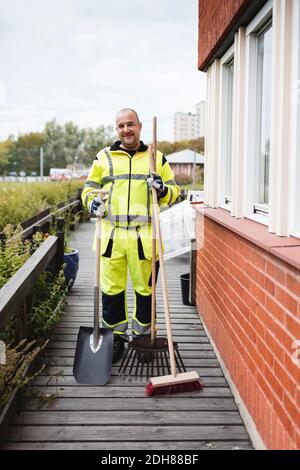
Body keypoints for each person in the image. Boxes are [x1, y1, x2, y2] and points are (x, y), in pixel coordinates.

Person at [82, 109, 179, 363]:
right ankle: (114, 341)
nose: (126, 130)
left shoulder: (156, 158)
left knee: (145, 292)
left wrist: (162, 188)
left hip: (144, 237)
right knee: (111, 292)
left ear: (140, 126)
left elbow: (175, 191)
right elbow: (89, 188)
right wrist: (92, 203)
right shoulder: (103, 157)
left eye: (131, 125)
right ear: (117, 129)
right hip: (111, 237)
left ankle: (141, 339)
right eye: (121, 125)